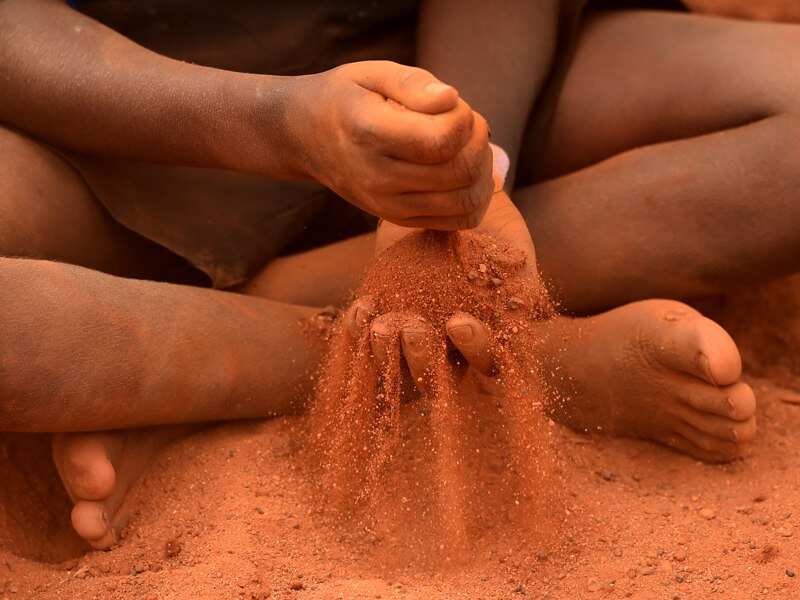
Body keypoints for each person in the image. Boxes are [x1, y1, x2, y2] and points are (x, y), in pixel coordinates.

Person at [0, 0, 757, 551]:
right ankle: (494, 360)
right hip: (112, 115)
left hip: (433, 56)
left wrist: (457, 156)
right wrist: (277, 121)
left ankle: (159, 357)